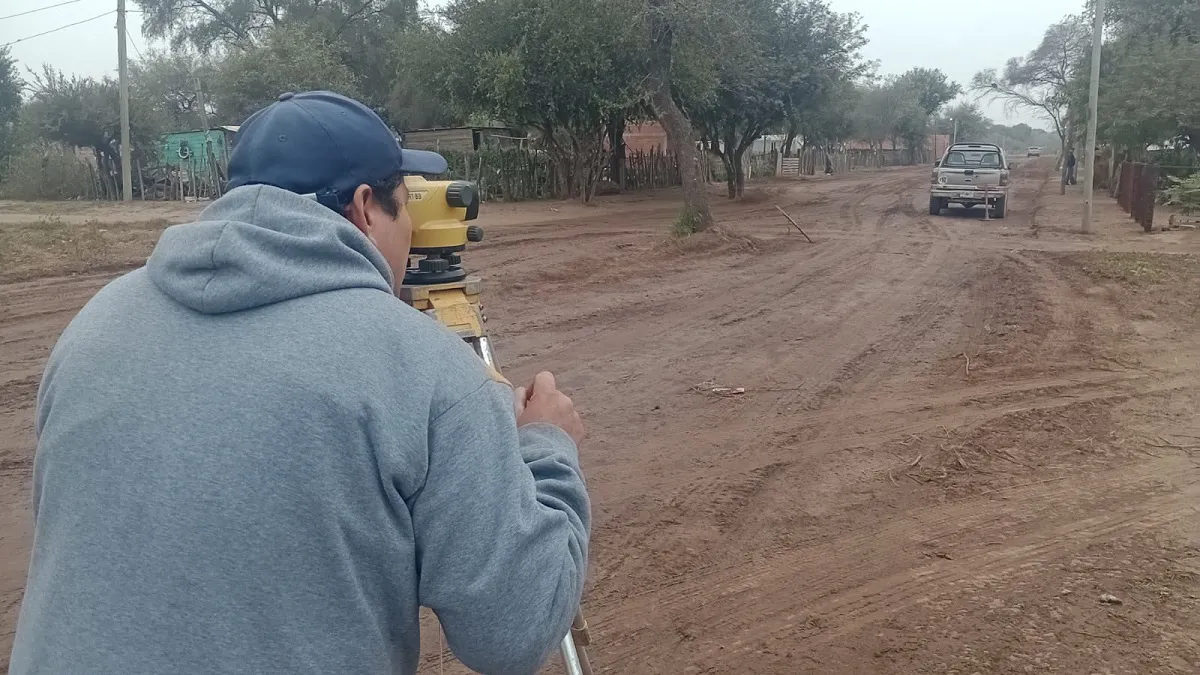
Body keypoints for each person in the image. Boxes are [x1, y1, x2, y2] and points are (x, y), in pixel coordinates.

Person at [9, 91, 590, 675]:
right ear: (366, 208)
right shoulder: (419, 364)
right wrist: (547, 447)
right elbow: (512, 633)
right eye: (404, 206)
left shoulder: (93, 326)